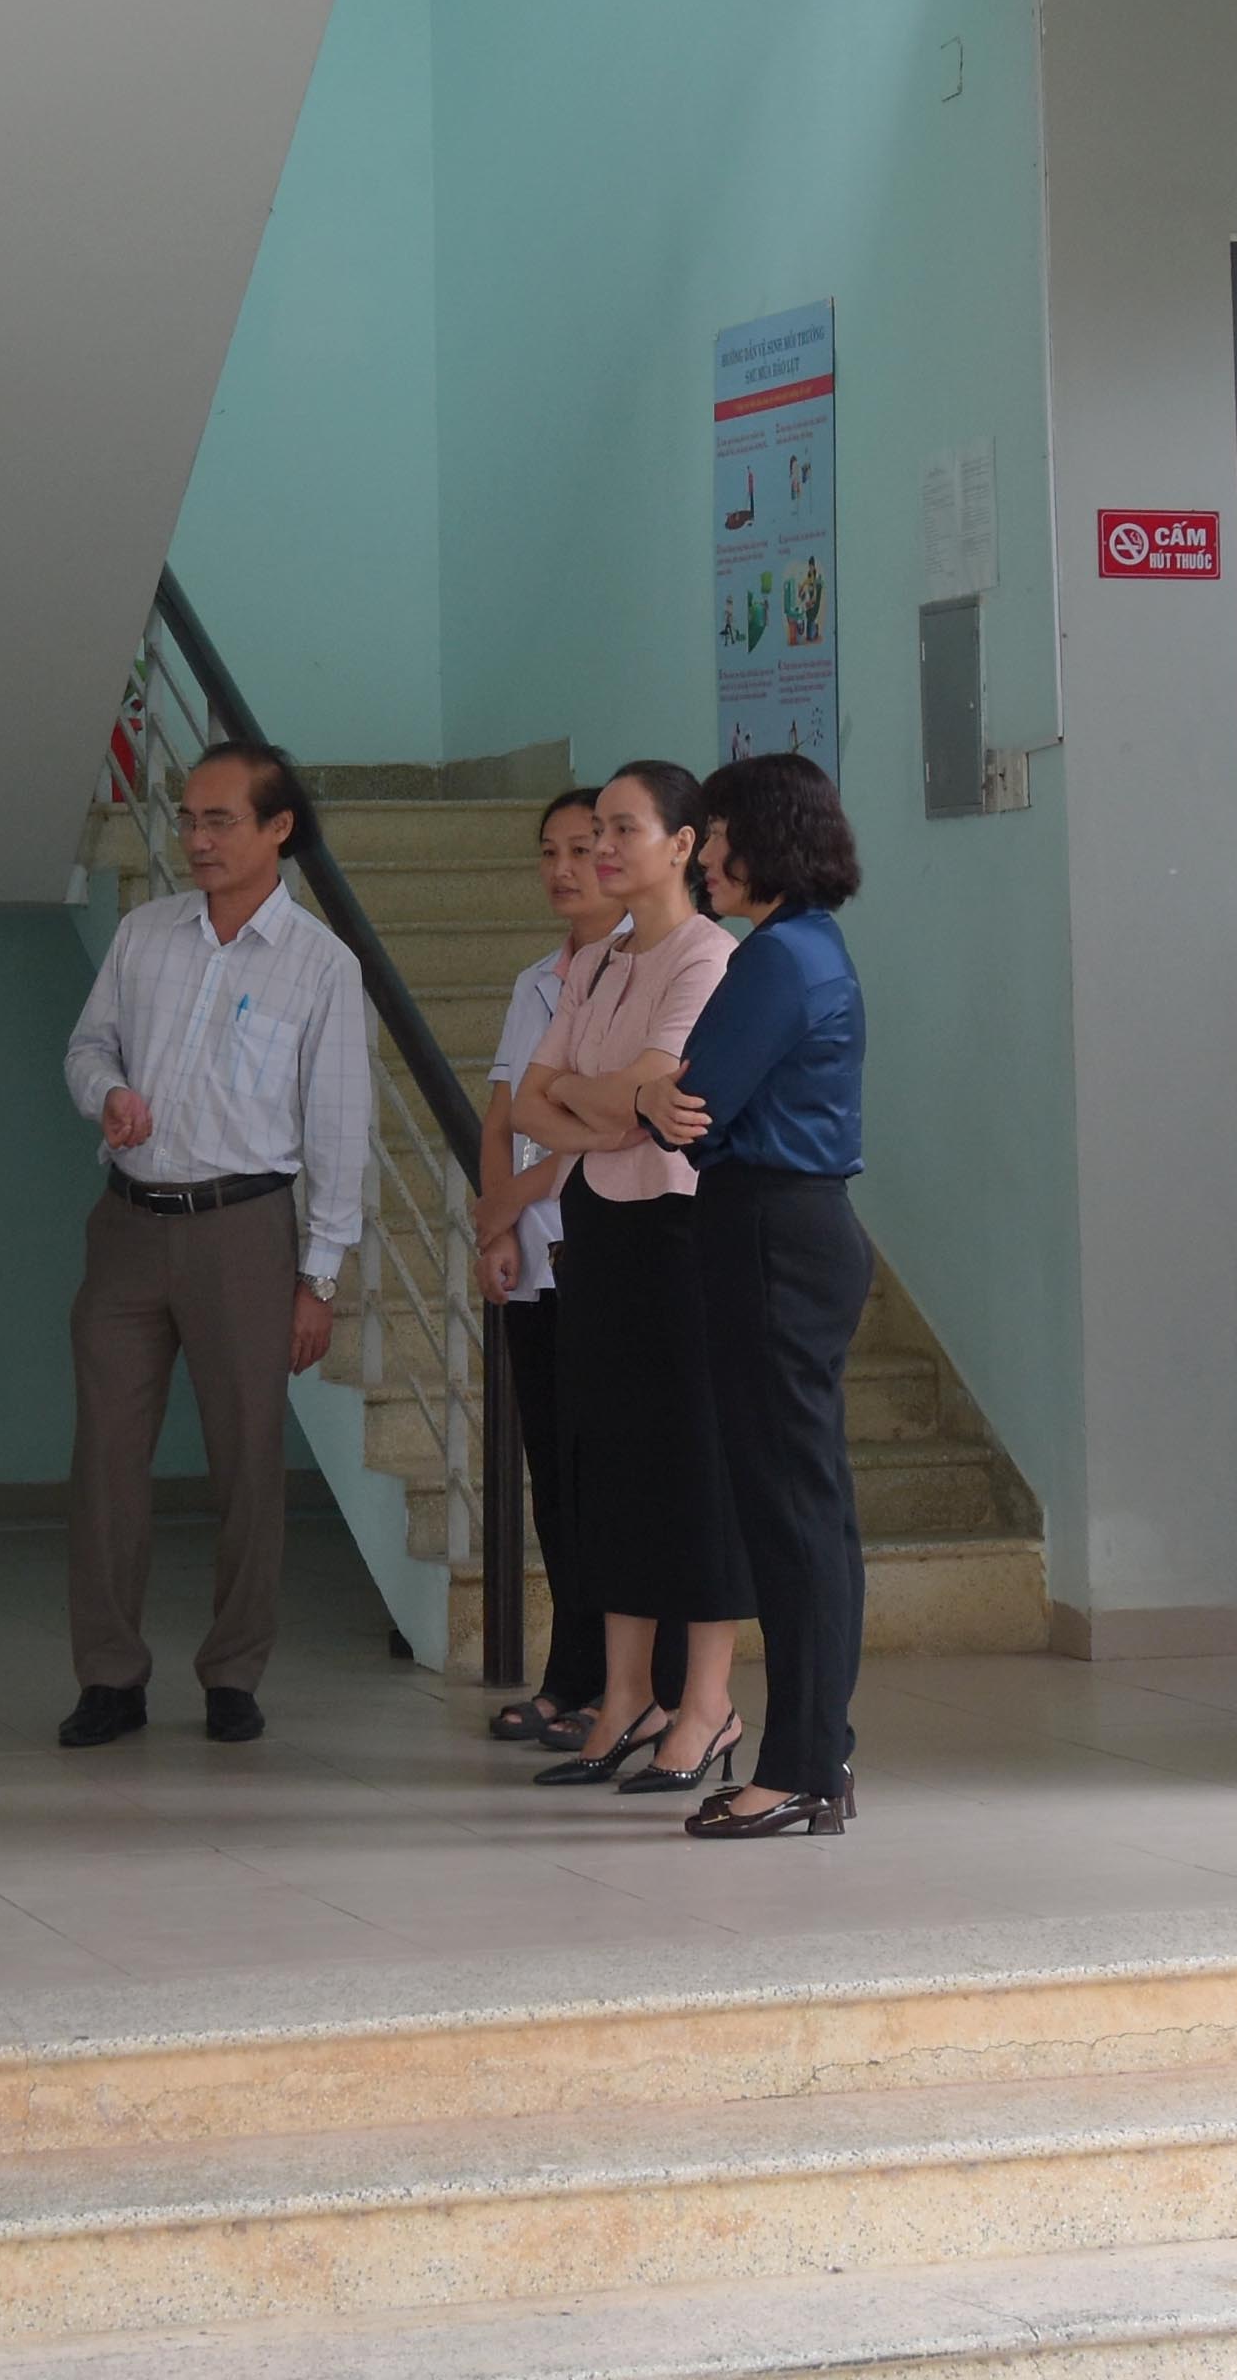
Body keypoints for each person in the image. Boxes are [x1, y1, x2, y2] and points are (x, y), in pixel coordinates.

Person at [55, 741, 368, 1748]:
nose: (196, 838)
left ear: (278, 829)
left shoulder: (320, 965)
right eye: (188, 818)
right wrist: (108, 1092)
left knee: (247, 1463)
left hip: (245, 1231)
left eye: (220, 820)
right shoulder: (145, 934)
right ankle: (109, 1676)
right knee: (106, 1462)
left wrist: (320, 1277)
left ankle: (234, 1672)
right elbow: (87, 1044)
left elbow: (338, 1129)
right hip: (127, 1226)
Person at [504, 761, 751, 1799]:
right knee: (607, 1465)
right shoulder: (601, 960)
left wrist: (598, 1100)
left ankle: (707, 1704)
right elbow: (528, 1103)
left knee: (691, 1467)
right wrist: (609, 1105)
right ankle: (623, 1697)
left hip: (682, 1233)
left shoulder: (709, 955)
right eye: (594, 830)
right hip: (600, 1225)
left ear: (683, 845)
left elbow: (660, 1095)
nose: (601, 849)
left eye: (622, 829)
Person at [645, 752, 880, 1840]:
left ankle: (797, 1768)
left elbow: (690, 1104)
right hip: (785, 1227)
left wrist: (655, 1098)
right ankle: (818, 1753)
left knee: (792, 1517)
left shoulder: (777, 958)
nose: (706, 854)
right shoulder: (803, 946)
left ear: (765, 837)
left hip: (772, 1232)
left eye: (719, 831)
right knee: (805, 1511)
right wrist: (662, 1102)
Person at [475, 785, 685, 1750]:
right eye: (552, 850)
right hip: (536, 1255)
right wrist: (497, 1224)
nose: (569, 866)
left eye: (588, 844)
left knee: (618, 1481)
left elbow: (621, 1121)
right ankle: (571, 1673)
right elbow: (509, 1113)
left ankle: (636, 1686)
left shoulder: (658, 966)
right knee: (556, 1481)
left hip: (609, 1244)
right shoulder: (537, 982)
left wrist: (520, 1190)